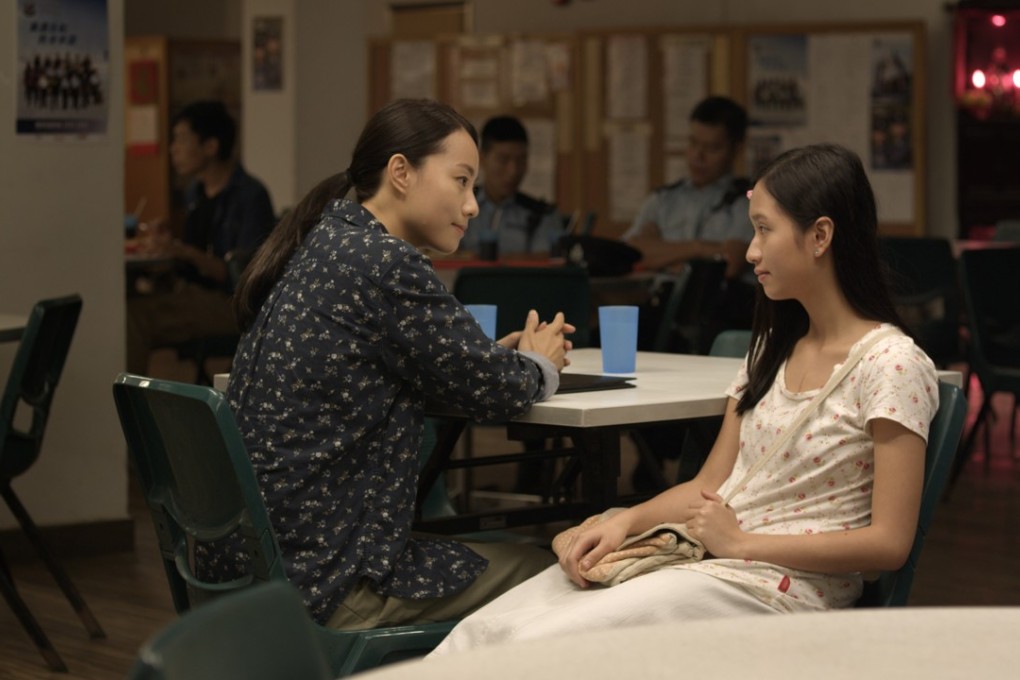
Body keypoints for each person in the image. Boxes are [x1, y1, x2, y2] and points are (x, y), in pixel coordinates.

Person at [430, 143, 939, 653]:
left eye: (764, 229)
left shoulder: (891, 364)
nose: (750, 251)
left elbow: (889, 545)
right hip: (705, 561)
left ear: (820, 236)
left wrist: (741, 544)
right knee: (486, 632)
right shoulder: (771, 350)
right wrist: (622, 521)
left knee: (534, 646)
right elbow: (708, 486)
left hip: (777, 595)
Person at [213, 98, 574, 630]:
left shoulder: (324, 243)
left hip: (261, 571)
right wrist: (540, 363)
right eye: (460, 181)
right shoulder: (385, 261)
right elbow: (502, 393)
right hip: (331, 580)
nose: (472, 205)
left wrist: (487, 361)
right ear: (400, 172)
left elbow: (396, 364)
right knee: (549, 570)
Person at [126, 100, 275, 375]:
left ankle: (126, 405)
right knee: (125, 302)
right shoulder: (196, 192)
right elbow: (194, 251)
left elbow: (244, 276)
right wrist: (167, 243)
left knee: (132, 318)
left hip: (228, 303)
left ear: (210, 146)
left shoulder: (249, 195)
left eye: (182, 139)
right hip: (192, 294)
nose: (173, 149)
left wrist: (183, 252)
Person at [457, 115, 562, 258]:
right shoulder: (458, 206)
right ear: (481, 159)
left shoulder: (542, 214)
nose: (513, 171)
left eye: (521, 160)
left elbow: (546, 261)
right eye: (503, 160)